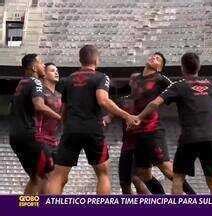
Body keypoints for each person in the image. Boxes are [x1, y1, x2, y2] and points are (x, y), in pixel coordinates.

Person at [136, 52, 212, 195]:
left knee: (178, 179)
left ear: (182, 68)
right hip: (211, 139)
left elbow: (154, 104)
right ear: (198, 68)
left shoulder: (178, 86)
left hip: (188, 140)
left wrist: (138, 117)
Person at [46, 45, 139, 195]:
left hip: (71, 130)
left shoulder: (68, 80)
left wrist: (67, 126)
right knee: (102, 175)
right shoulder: (101, 77)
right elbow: (103, 100)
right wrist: (127, 115)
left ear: (80, 60)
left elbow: (63, 108)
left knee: (58, 176)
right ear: (96, 60)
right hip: (92, 129)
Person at [125, 53, 195, 194]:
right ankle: (161, 201)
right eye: (153, 56)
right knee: (143, 172)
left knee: (166, 168)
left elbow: (178, 90)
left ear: (159, 68)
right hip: (136, 133)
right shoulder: (135, 79)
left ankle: (194, 197)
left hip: (153, 130)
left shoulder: (160, 79)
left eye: (158, 59)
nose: (153, 58)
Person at [9, 54, 61, 194]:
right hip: (30, 135)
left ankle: (26, 208)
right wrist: (59, 117)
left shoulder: (21, 84)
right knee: (47, 174)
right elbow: (39, 105)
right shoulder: (35, 82)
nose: (43, 65)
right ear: (33, 67)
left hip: (15, 136)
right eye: (41, 62)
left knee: (36, 178)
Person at [104, 73, 151, 194]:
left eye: (138, 79)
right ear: (130, 82)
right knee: (124, 182)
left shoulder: (147, 101)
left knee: (136, 178)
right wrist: (106, 119)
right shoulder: (123, 100)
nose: (136, 81)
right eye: (133, 79)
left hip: (142, 144)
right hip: (127, 146)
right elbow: (112, 114)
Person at [34, 63, 63, 194]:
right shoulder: (39, 92)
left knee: (53, 177)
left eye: (57, 71)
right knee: (41, 177)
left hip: (55, 139)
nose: (56, 73)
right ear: (44, 74)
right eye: (52, 70)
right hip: (40, 138)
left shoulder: (60, 95)